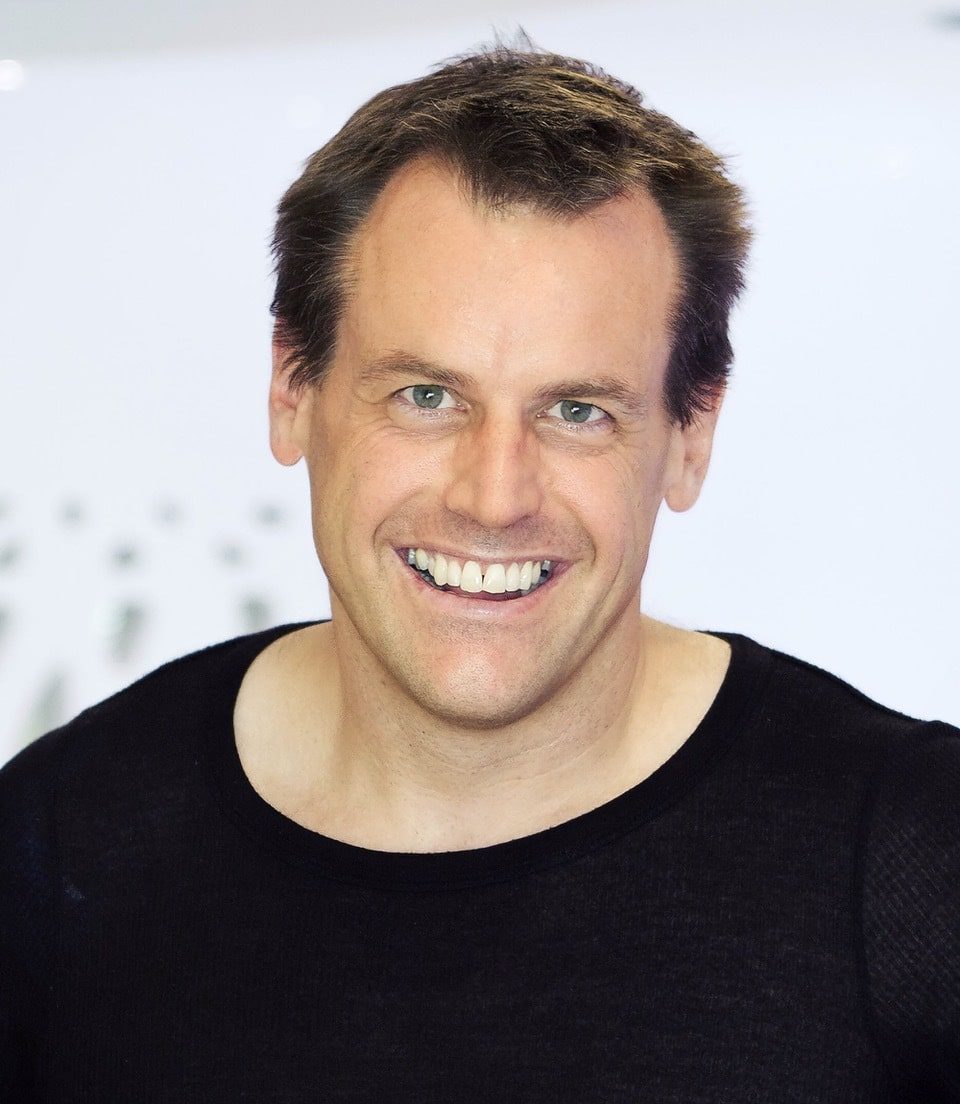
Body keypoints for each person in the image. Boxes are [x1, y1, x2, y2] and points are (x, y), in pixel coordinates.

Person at [2, 42, 958, 1103]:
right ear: (291, 390)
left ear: (691, 439)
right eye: (426, 397)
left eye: (577, 411)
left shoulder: (918, 860)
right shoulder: (51, 850)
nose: (495, 497)